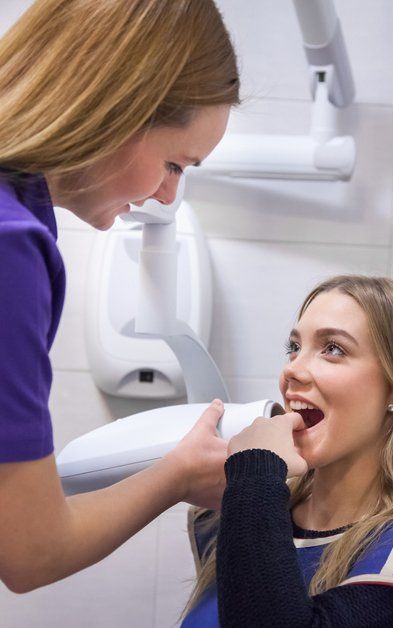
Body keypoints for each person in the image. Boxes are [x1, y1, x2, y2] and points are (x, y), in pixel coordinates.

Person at [0, 0, 239, 593]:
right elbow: (31, 553)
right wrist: (178, 476)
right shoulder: (11, 246)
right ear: (119, 109)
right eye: (175, 164)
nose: (165, 196)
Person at [182, 275, 393, 627]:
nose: (292, 370)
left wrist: (255, 475)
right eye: (294, 347)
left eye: (333, 349)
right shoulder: (224, 520)